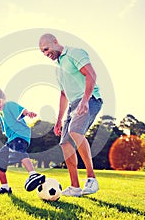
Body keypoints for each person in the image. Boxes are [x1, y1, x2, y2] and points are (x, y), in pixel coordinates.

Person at [39, 33, 103, 197]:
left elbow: (91, 74)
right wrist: (59, 119)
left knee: (75, 131)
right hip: (73, 104)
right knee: (65, 143)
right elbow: (63, 94)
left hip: (89, 99)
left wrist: (84, 100)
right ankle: (75, 187)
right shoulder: (59, 69)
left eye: (47, 49)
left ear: (55, 42)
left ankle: (91, 179)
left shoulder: (75, 53)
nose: (46, 54)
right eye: (43, 53)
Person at [0, 87, 45, 194]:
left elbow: (21, 110)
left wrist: (28, 113)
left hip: (20, 135)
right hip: (12, 139)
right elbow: (7, 130)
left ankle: (33, 174)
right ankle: (5, 187)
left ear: (4, 98)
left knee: (18, 151)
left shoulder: (9, 105)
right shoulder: (1, 113)